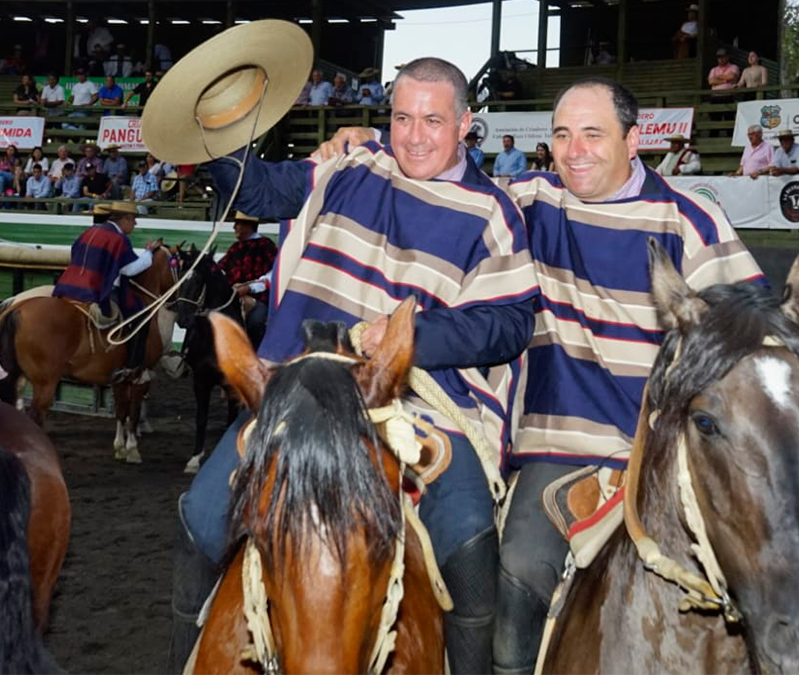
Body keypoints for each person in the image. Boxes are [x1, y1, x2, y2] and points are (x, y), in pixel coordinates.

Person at [319, 76, 767, 674]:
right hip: (561, 445)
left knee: (765, 578)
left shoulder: (691, 222)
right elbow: (435, 164)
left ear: (634, 141)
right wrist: (369, 138)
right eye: (562, 135)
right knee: (518, 574)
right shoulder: (527, 201)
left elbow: (753, 339)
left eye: (593, 134)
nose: (574, 149)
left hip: (666, 447)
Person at [158, 49, 538, 675]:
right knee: (200, 515)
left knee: (470, 537)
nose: (414, 136)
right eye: (403, 117)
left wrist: (409, 335)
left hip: (420, 402)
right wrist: (221, 122)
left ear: (466, 123)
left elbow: (508, 322)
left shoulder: (492, 211)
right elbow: (259, 188)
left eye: (433, 121)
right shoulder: (349, 163)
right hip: (298, 390)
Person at [52, 201, 157, 381]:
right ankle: (131, 368)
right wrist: (149, 253)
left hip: (67, 287)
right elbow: (129, 270)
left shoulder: (88, 232)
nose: (135, 224)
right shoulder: (119, 239)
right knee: (141, 316)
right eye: (134, 220)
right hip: (95, 291)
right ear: (125, 219)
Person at [217, 212, 278, 347]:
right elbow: (220, 270)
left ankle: (256, 354)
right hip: (233, 298)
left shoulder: (266, 245)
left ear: (248, 226)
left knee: (256, 321)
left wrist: (249, 288)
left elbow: (273, 275)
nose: (234, 227)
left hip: (260, 299)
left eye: (238, 224)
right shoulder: (234, 248)